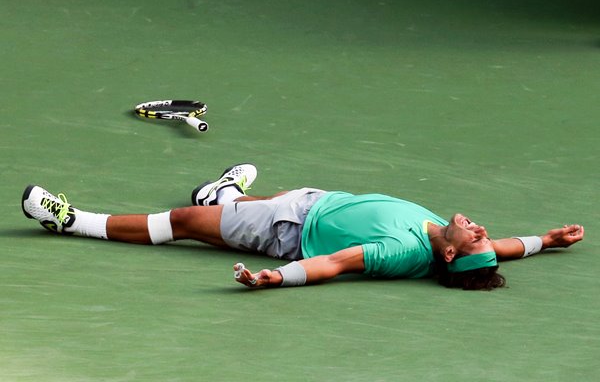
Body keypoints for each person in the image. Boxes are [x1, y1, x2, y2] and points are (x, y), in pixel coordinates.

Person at [21, 163, 585, 290]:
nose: (483, 230)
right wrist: (545, 241)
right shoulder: (447, 239)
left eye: (476, 238)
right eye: (483, 234)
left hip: (295, 229)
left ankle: (73, 223)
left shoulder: (399, 251)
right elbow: (502, 251)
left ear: (447, 257)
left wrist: (278, 277)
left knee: (187, 222)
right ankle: (224, 195)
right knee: (237, 204)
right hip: (315, 201)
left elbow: (335, 263)